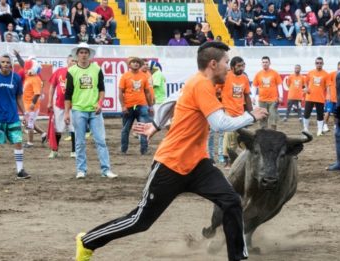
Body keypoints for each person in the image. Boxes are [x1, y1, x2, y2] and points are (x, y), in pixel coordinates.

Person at [74, 41, 268, 261]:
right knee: (140, 220)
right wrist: (252, 116)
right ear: (213, 64)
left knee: (232, 201)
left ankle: (237, 257)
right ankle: (87, 241)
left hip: (198, 164)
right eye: (225, 62)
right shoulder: (201, 84)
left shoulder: (198, 82)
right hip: (171, 164)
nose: (228, 67)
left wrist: (155, 125)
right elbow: (220, 124)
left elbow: (170, 100)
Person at [64, 43, 117, 179]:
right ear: (77, 55)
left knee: (101, 140)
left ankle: (106, 170)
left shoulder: (96, 69)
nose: (83, 54)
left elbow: (102, 89)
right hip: (78, 110)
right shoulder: (71, 71)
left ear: (89, 54)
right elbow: (68, 94)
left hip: (95, 110)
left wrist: (100, 104)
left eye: (85, 52)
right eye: (81, 52)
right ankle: (81, 170)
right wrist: (66, 113)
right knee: (80, 141)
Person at [221, 56, 252, 169]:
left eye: (243, 65)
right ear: (232, 67)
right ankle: (227, 160)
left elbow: (247, 95)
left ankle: (243, 158)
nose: (241, 68)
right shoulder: (226, 76)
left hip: (240, 112)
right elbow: (217, 91)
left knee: (242, 137)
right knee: (229, 136)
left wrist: (251, 113)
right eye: (239, 66)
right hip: (228, 112)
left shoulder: (244, 78)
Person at [119, 57, 153, 155]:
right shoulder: (125, 76)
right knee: (126, 129)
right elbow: (121, 92)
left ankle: (144, 150)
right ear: (129, 65)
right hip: (129, 106)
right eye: (133, 62)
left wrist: (150, 106)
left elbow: (147, 92)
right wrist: (123, 106)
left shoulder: (144, 76)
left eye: (137, 62)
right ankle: (123, 150)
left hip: (141, 105)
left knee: (143, 128)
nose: (136, 64)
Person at [48, 55, 76, 159]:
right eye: (72, 60)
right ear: (67, 61)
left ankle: (74, 151)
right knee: (57, 127)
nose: (73, 62)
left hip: (74, 106)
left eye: (75, 61)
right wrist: (49, 102)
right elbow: (52, 87)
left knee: (74, 128)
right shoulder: (59, 71)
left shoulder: (78, 73)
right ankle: (54, 150)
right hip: (59, 104)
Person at [252, 56, 282, 130]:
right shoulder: (258, 74)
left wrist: (281, 96)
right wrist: (253, 96)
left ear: (269, 63)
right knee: (263, 117)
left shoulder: (275, 73)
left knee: (273, 115)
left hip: (273, 99)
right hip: (262, 100)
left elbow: (279, 85)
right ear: (261, 63)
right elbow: (254, 86)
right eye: (263, 62)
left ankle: (273, 132)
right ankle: (263, 132)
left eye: (266, 62)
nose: (265, 64)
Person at [303, 57, 329, 136]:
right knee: (306, 113)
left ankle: (319, 130)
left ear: (323, 64)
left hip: (320, 98)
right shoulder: (310, 72)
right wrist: (306, 88)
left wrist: (328, 96)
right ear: (315, 63)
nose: (319, 64)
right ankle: (305, 129)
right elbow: (305, 81)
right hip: (309, 97)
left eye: (320, 63)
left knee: (320, 115)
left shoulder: (326, 74)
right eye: (317, 63)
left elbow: (328, 86)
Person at [22, 58, 44, 148]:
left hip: (31, 105)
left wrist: (32, 104)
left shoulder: (35, 79)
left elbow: (37, 93)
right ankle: (43, 134)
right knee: (28, 122)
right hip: (28, 104)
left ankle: (30, 142)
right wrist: (18, 56)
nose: (26, 70)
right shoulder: (29, 76)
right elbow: (22, 65)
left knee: (29, 124)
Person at [324, 61, 340, 132]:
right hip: (330, 98)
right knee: (328, 112)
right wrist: (328, 95)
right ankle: (325, 125)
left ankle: (335, 125)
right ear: (337, 66)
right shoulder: (332, 74)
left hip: (338, 98)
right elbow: (328, 85)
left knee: (336, 113)